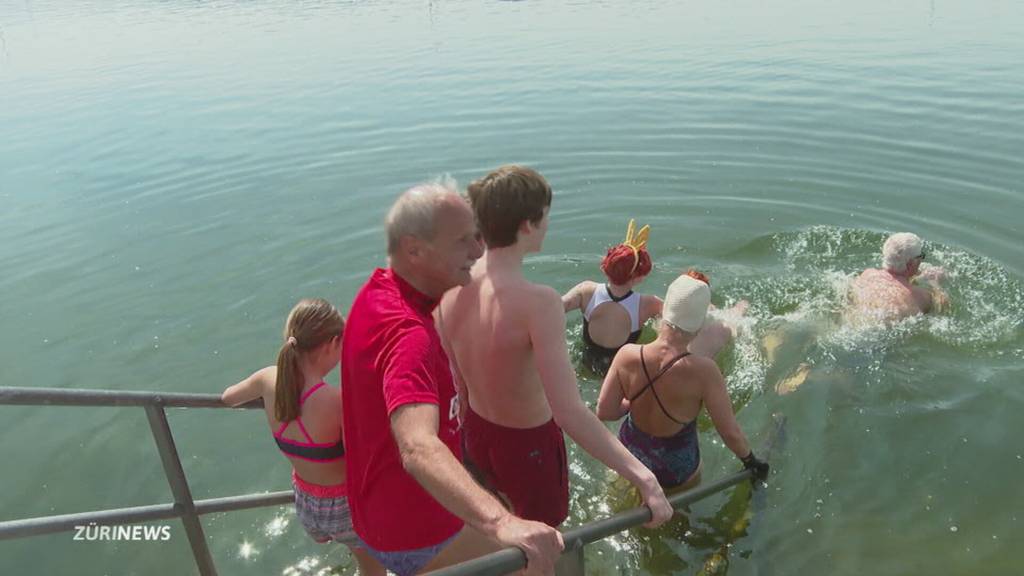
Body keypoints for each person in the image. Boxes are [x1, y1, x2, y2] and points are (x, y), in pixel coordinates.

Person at [341, 182, 564, 576]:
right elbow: (417, 445)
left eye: (477, 236)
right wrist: (502, 522)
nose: (478, 251)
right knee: (536, 562)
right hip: (417, 529)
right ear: (414, 249)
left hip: (371, 516)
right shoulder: (410, 337)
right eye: (463, 242)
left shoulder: (374, 293)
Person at [437, 165, 673, 530]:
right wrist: (644, 477)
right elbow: (569, 413)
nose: (548, 224)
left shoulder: (449, 286)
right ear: (527, 225)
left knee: (499, 533)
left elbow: (459, 385)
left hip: (475, 434)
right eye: (546, 215)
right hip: (527, 448)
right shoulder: (538, 303)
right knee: (543, 542)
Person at [221, 299, 384, 576]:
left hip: (308, 503)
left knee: (355, 550)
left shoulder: (267, 380)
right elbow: (363, 458)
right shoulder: (335, 401)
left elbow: (228, 398)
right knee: (373, 570)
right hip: (345, 507)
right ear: (332, 343)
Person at [596, 274, 769, 491]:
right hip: (674, 465)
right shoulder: (704, 371)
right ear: (700, 322)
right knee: (674, 517)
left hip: (630, 453)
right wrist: (751, 461)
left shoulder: (627, 355)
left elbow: (604, 411)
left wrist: (634, 401)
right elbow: (729, 432)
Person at [562, 220, 663, 372]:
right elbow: (678, 313)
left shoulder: (587, 291)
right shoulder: (647, 304)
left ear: (605, 266)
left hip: (587, 362)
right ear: (639, 277)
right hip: (622, 370)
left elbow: (553, 307)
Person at [847, 232, 948, 324]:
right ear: (911, 263)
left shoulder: (867, 275)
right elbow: (943, 308)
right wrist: (935, 282)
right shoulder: (921, 296)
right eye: (921, 256)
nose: (922, 260)